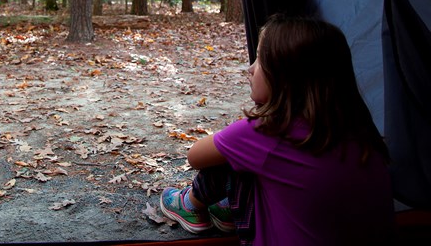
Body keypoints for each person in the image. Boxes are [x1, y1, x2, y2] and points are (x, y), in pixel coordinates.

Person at [160, 14, 395, 245]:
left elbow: (195, 156)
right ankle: (225, 211)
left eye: (260, 59)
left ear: (286, 75)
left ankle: (190, 204)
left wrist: (244, 129)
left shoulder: (268, 132)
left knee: (230, 153)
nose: (250, 69)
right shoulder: (361, 132)